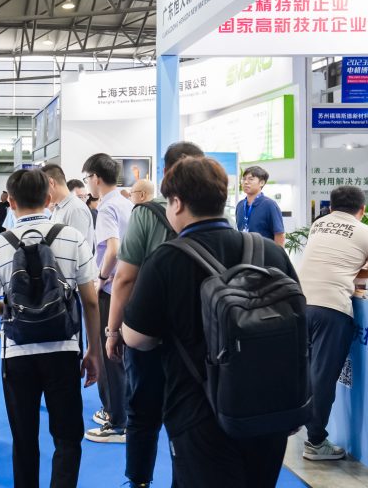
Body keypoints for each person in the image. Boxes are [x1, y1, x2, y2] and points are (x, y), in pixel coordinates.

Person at [123, 156, 299, 487]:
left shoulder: (167, 258)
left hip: (199, 410)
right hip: (269, 406)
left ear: (176, 203)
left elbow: (137, 338)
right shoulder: (270, 252)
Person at [0, 168, 102, 488]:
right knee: (68, 437)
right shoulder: (72, 237)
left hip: (16, 353)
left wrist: (14, 308)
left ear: (11, 202)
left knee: (24, 439)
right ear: (49, 199)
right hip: (63, 350)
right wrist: (94, 351)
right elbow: (91, 301)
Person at [105, 141, 204, 488]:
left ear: (165, 172)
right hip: (201, 333)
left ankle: (139, 480)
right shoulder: (221, 215)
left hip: (149, 331)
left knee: (143, 411)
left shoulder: (146, 213)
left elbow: (125, 278)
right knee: (193, 412)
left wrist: (113, 331)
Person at [298, 185, 368, 461]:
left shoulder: (319, 225)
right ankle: (316, 442)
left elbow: (335, 264)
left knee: (306, 373)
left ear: (330, 207)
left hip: (300, 303)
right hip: (331, 309)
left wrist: (362, 270)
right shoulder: (366, 232)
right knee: (323, 377)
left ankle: (297, 430)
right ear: (362, 210)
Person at [82, 153, 132, 444]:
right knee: (119, 356)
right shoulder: (126, 202)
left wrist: (101, 278)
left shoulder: (107, 208)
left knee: (107, 354)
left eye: (88, 177)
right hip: (127, 287)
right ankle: (119, 411)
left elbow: (112, 249)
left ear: (96, 178)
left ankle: (117, 422)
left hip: (110, 290)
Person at [42, 163, 95, 249]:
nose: (42, 193)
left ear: (51, 182)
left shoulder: (76, 209)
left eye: (42, 187)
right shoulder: (59, 208)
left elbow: (77, 249)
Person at [236, 166, 285, 246]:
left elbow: (279, 235)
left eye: (251, 179)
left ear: (261, 183)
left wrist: (277, 253)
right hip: (245, 252)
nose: (246, 182)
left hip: (265, 252)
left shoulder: (269, 205)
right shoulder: (240, 205)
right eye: (244, 179)